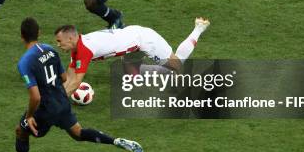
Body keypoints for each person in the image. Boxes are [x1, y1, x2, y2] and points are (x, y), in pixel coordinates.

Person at [0, 17, 143, 152]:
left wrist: (30, 115)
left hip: (46, 107)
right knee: (78, 133)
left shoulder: (24, 62)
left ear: (21, 36)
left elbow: (35, 97)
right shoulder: (50, 49)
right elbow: (64, 78)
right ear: (39, 33)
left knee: (21, 130)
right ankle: (114, 140)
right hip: (62, 101)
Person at [54, 18, 210, 94]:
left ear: (70, 38)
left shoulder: (84, 50)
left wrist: (58, 102)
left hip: (145, 41)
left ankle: (199, 28)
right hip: (131, 40)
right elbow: (70, 76)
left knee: (177, 66)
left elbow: (76, 82)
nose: (58, 45)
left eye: (60, 41)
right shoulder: (77, 47)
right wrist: (59, 93)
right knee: (131, 75)